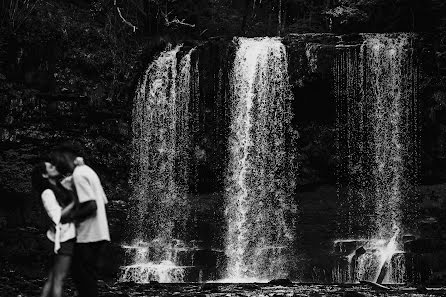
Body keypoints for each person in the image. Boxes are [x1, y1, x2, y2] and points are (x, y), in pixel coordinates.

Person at [50, 145, 110, 297]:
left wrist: (70, 218)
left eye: (59, 161)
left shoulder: (79, 175)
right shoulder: (88, 172)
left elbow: (92, 205)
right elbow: (102, 201)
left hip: (88, 236)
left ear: (67, 157)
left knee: (83, 280)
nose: (58, 165)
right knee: (89, 280)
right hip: (100, 234)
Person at [31, 162, 76, 297]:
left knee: (52, 279)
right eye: (50, 167)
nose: (55, 167)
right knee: (58, 280)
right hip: (63, 239)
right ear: (44, 175)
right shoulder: (47, 193)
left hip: (64, 236)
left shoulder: (58, 188)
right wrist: (76, 202)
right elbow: (58, 217)